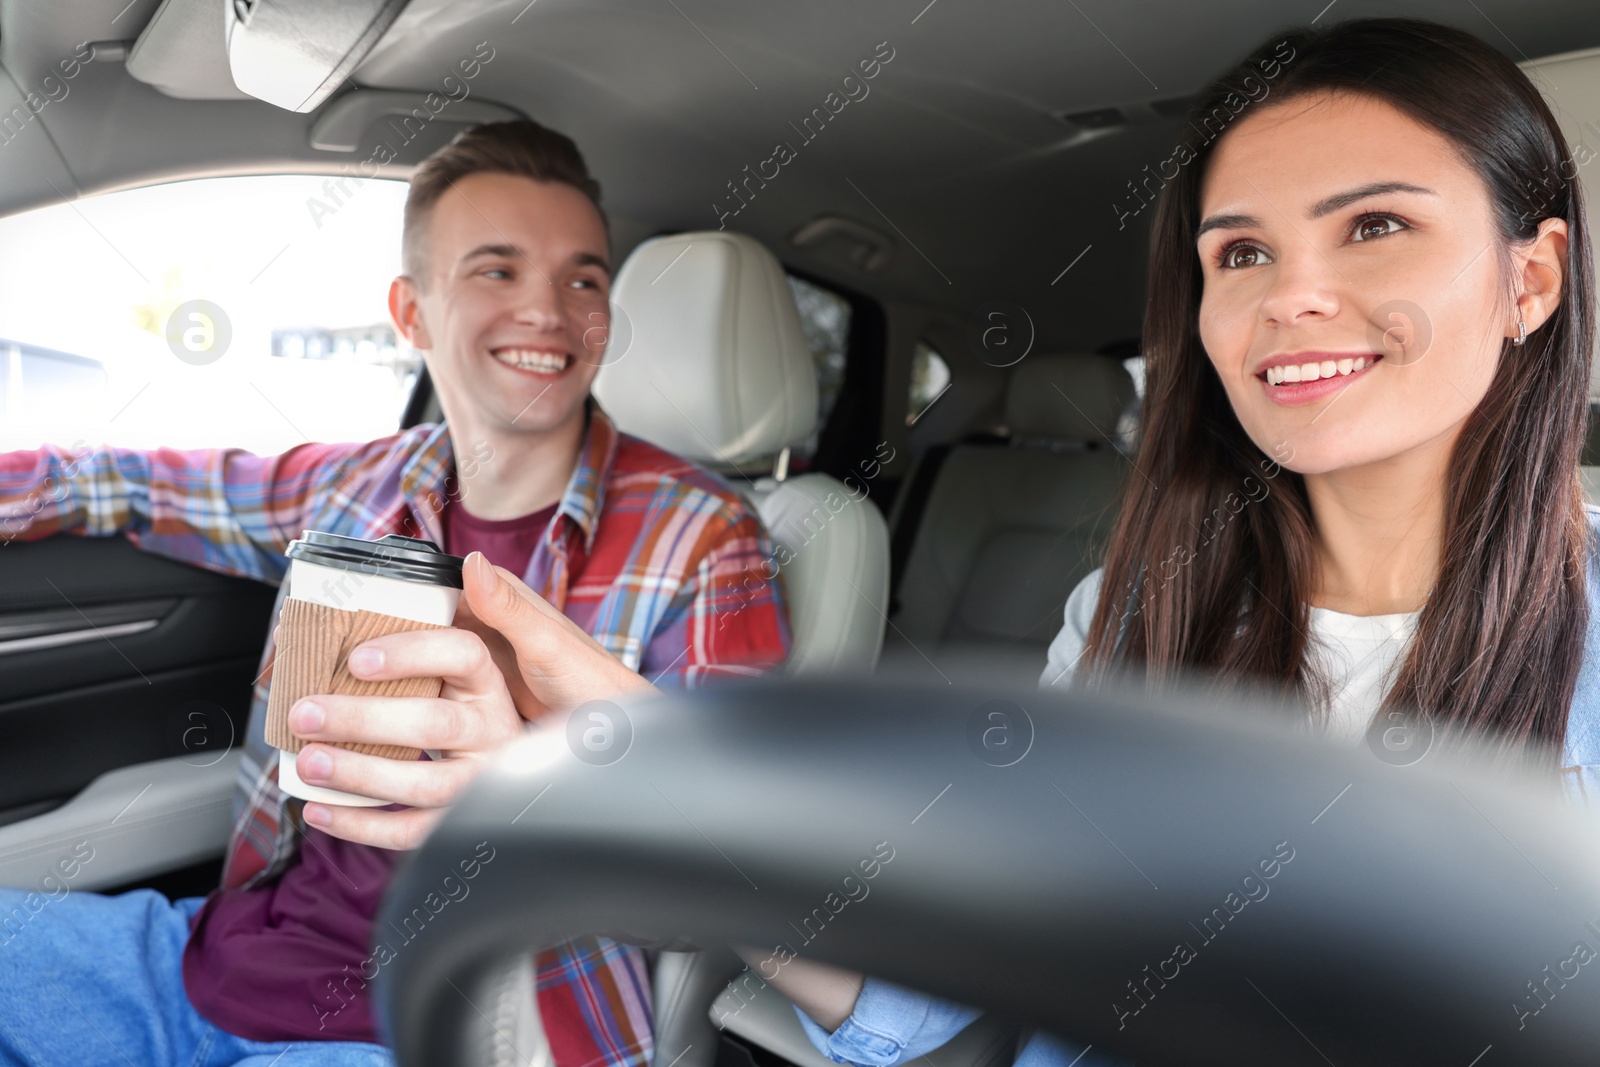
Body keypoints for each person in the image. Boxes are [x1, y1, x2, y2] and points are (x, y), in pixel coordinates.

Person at [738, 17, 1599, 1067]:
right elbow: (933, 984)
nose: (1289, 297)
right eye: (1240, 252)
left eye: (1374, 225)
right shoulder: (1127, 609)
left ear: (1533, 281)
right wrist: (645, 783)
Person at [0, 120, 791, 1066]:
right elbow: (138, 478)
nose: (546, 308)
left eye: (583, 277)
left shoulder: (702, 535)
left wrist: (540, 784)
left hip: (450, 1027)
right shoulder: (359, 485)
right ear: (411, 312)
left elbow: (732, 871)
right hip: (212, 958)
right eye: (496, 269)